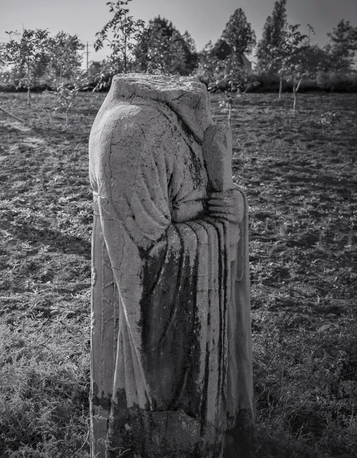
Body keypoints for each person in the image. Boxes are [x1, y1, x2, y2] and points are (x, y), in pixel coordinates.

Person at [89, 73, 253, 457]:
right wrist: (219, 230)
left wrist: (236, 206)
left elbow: (214, 194)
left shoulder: (183, 125)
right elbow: (146, 261)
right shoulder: (133, 132)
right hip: (155, 351)